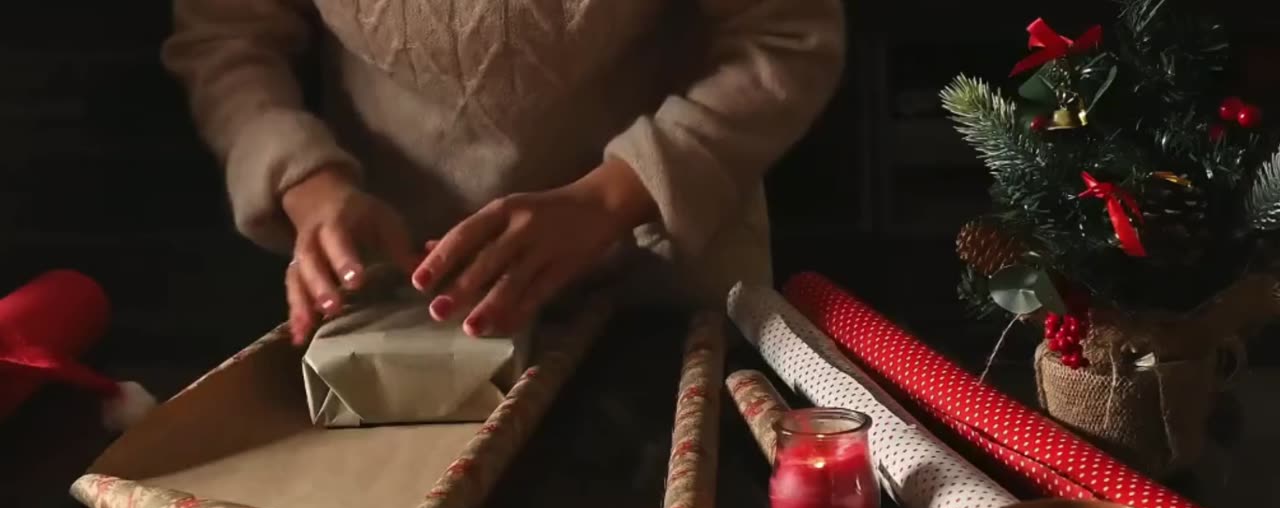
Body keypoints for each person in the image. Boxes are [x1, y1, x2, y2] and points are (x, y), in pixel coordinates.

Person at [163, 1, 845, 345]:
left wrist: (611, 196)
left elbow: (786, 40)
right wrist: (306, 187)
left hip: (662, 313)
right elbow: (227, 39)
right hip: (394, 315)